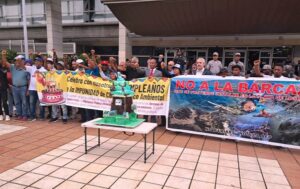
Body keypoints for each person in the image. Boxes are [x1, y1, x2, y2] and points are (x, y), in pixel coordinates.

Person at [2, 53, 29, 121]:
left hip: (23, 87)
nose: (17, 63)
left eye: (19, 61)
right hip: (15, 88)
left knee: (24, 102)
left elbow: (28, 81)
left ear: (22, 62)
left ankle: (24, 115)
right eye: (16, 61)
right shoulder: (12, 68)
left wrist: (28, 90)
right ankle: (19, 115)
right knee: (17, 102)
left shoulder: (25, 69)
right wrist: (4, 55)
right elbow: (5, 62)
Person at [26, 57, 47, 121]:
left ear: (41, 62)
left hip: (40, 90)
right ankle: (32, 116)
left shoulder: (44, 70)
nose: (36, 62)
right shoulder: (32, 68)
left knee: (41, 103)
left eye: (38, 61)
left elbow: (46, 79)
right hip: (32, 89)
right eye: (35, 61)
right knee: (32, 103)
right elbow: (24, 67)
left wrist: (40, 73)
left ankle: (42, 116)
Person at [0, 50, 10, 121]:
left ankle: (7, 114)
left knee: (4, 101)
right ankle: (0, 114)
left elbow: (4, 62)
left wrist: (3, 55)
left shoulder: (4, 68)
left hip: (3, 87)